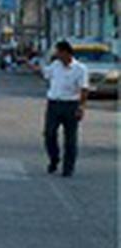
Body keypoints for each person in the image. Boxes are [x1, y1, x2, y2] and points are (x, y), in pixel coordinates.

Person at [40, 40, 89, 177]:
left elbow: (84, 89)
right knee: (49, 134)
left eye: (58, 52)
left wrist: (81, 107)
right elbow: (45, 74)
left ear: (66, 53)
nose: (57, 55)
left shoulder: (80, 69)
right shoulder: (55, 65)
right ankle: (54, 158)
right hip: (54, 104)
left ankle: (68, 167)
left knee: (70, 139)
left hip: (71, 105)